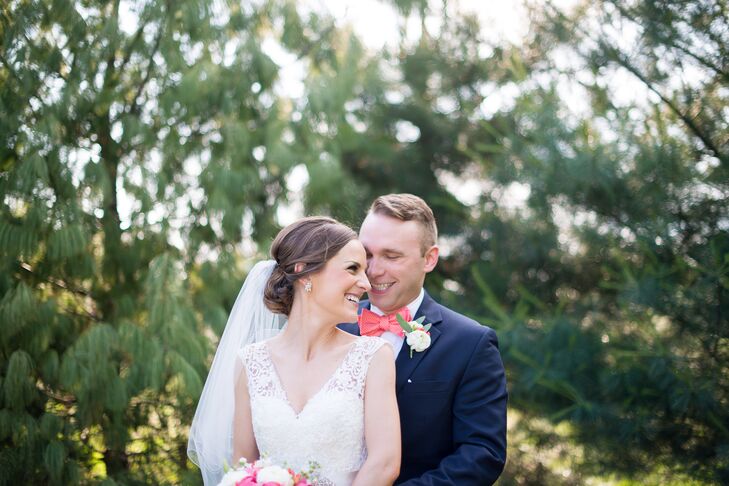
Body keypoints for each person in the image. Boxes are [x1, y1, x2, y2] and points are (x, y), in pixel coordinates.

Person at [188, 217, 401, 486]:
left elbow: (385, 464)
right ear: (305, 273)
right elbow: (242, 467)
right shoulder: (250, 363)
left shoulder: (373, 356)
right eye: (352, 269)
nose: (366, 284)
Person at [340, 194, 508, 485]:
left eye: (392, 256)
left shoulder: (471, 344)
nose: (374, 269)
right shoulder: (334, 325)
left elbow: (482, 454)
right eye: (367, 253)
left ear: (429, 259)